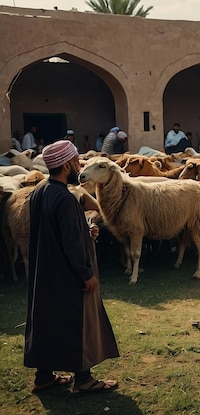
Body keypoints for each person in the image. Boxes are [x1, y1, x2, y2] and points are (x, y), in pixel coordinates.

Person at [25, 140, 119, 394]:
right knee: (77, 321)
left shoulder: (40, 191)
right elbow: (70, 243)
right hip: (67, 273)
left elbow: (54, 231)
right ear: (67, 164)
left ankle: (43, 376)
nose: (80, 165)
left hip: (45, 271)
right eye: (77, 161)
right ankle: (84, 379)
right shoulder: (65, 198)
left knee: (48, 321)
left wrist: (86, 230)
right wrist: (86, 274)